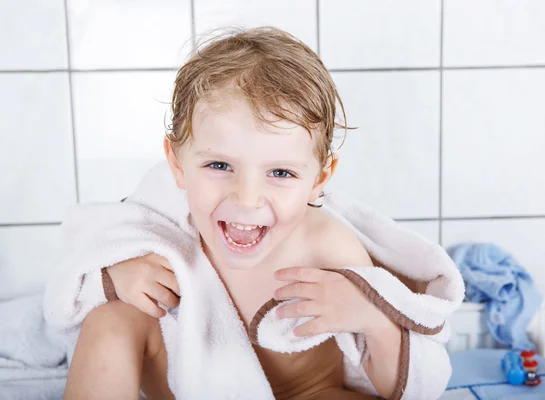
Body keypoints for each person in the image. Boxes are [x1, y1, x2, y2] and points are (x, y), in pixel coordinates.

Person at [50, 27, 459, 400]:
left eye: (280, 172)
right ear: (177, 162)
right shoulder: (162, 219)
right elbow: (75, 275)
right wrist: (113, 278)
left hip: (304, 392)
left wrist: (372, 317)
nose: (247, 198)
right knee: (111, 320)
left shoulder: (326, 247)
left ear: (319, 178)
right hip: (184, 387)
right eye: (219, 166)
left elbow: (405, 388)